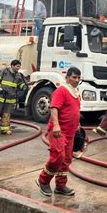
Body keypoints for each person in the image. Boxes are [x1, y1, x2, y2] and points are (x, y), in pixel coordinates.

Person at [36, 67, 82, 197]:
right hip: (59, 131)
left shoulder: (76, 92)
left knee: (66, 159)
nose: (76, 80)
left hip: (71, 132)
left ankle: (60, 186)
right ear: (67, 77)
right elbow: (54, 108)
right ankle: (43, 180)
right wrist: (56, 125)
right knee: (58, 157)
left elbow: (76, 110)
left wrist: (78, 125)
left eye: (78, 78)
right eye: (74, 77)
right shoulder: (61, 90)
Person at [0, 60, 27, 136]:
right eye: (17, 66)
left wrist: (23, 87)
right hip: (0, 96)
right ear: (12, 65)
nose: (18, 68)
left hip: (10, 98)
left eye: (19, 66)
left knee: (7, 114)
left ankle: (5, 129)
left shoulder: (18, 75)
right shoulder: (3, 71)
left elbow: (19, 84)